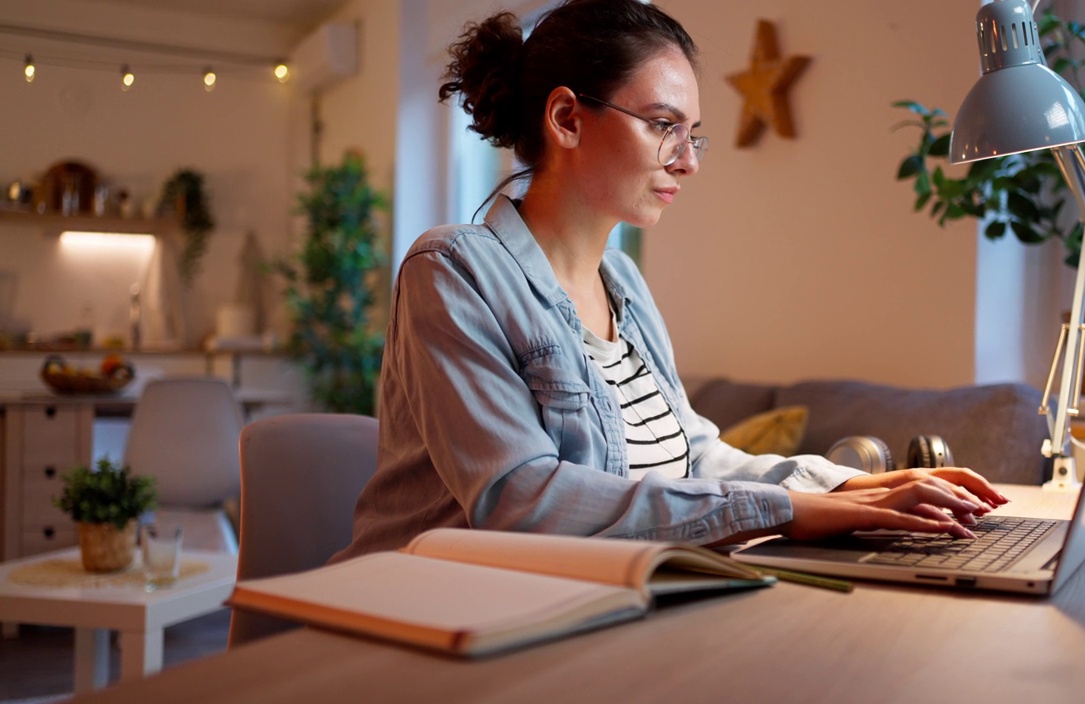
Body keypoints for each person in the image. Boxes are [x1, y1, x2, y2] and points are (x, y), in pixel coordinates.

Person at [332, 0, 1006, 562]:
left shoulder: (622, 281)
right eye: (663, 127)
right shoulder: (452, 271)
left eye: (693, 135)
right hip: (431, 624)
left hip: (583, 609)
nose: (687, 162)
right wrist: (790, 511)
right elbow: (523, 500)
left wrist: (853, 486)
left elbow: (691, 453)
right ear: (567, 118)